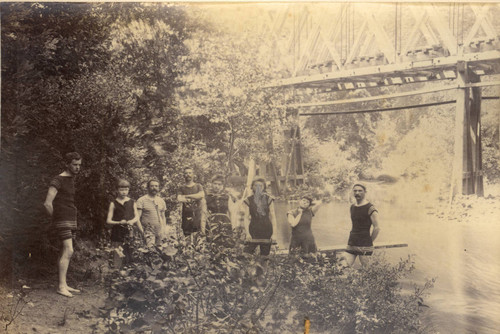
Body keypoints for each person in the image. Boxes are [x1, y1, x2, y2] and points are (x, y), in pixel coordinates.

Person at [43, 152, 82, 297]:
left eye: (79, 165)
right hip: (63, 220)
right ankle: (60, 286)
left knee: (64, 251)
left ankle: (64, 284)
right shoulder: (58, 180)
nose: (77, 167)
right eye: (74, 164)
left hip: (71, 219)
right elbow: (47, 203)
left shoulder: (71, 179)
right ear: (67, 164)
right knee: (69, 250)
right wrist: (56, 219)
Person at [344, 184, 381, 267]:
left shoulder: (370, 208)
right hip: (352, 243)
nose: (357, 193)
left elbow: (377, 228)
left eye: (360, 191)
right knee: (343, 267)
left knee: (366, 271)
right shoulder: (352, 207)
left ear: (365, 192)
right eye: (355, 190)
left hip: (365, 245)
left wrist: (370, 241)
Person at [106, 179, 143, 254]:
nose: (124, 192)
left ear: (128, 190)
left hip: (129, 232)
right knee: (118, 254)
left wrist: (131, 221)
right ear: (117, 190)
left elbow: (137, 216)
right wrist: (119, 222)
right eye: (121, 190)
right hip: (117, 233)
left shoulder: (132, 202)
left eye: (126, 190)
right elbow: (108, 221)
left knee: (130, 253)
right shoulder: (113, 203)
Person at [243, 178, 277, 256]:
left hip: (266, 229)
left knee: (264, 255)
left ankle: (263, 267)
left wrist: (274, 234)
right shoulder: (248, 200)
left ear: (264, 187)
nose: (258, 188)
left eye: (260, 186)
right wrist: (247, 233)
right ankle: (249, 268)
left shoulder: (269, 199)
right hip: (253, 229)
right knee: (247, 254)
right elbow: (246, 217)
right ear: (252, 187)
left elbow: (273, 217)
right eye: (256, 185)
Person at [205, 174, 237, 244]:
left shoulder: (227, 197)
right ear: (211, 184)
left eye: (219, 184)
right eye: (215, 184)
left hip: (225, 222)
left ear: (222, 186)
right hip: (212, 223)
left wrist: (233, 227)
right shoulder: (207, 197)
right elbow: (204, 213)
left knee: (226, 243)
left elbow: (232, 213)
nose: (217, 186)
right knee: (212, 243)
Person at [137, 179, 167, 247]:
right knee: (150, 252)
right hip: (148, 231)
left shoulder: (161, 201)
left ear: (158, 188)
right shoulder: (141, 200)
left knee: (160, 251)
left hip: (159, 231)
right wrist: (142, 231)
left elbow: (163, 217)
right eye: (152, 186)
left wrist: (163, 229)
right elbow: (137, 218)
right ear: (148, 188)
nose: (154, 188)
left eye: (156, 186)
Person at [177, 167, 205, 236]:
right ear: (183, 175)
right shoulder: (181, 187)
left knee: (198, 236)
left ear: (193, 175)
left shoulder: (198, 186)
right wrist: (195, 197)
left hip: (198, 215)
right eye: (186, 173)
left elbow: (201, 195)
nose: (188, 174)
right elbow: (179, 198)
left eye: (190, 173)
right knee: (187, 236)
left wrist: (186, 196)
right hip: (186, 215)